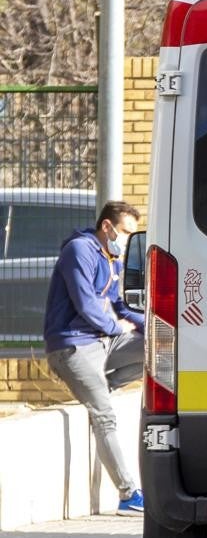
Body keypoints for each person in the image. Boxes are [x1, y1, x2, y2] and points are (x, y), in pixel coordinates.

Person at [44, 200, 146, 516]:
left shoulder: (110, 257)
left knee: (158, 349)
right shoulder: (80, 250)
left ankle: (103, 385)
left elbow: (119, 305)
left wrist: (153, 327)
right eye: (124, 232)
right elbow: (86, 304)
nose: (125, 240)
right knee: (105, 416)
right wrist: (116, 327)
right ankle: (128, 495)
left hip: (102, 342)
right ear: (107, 226)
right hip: (72, 347)